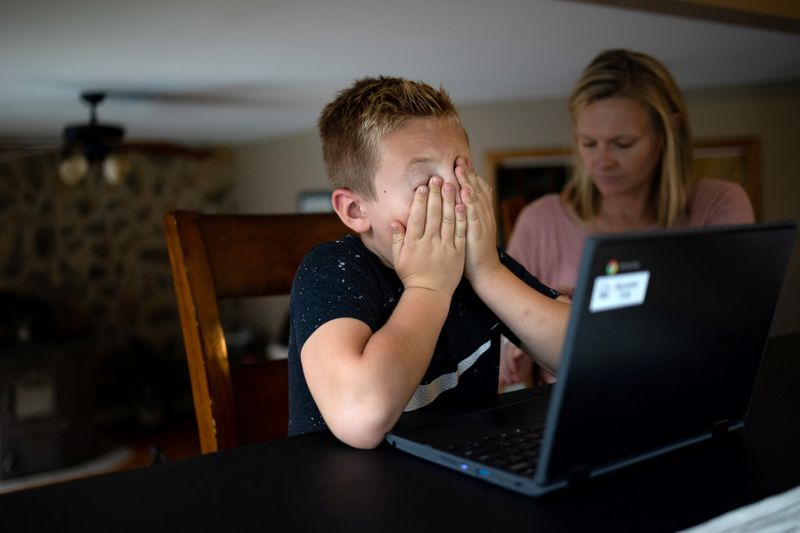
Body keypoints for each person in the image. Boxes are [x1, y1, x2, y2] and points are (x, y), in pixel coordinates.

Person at [288, 76, 571, 449]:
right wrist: (428, 288)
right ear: (356, 210)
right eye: (425, 182)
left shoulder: (479, 263)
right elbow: (360, 416)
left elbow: (589, 357)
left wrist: (488, 273)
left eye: (461, 170)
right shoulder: (333, 269)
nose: (454, 194)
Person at [500, 48, 755, 388]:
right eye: (589, 143)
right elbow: (504, 364)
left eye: (623, 144)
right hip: (578, 414)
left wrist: (580, 313)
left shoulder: (719, 204)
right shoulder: (539, 221)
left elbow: (733, 327)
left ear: (667, 134)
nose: (602, 163)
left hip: (693, 396)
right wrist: (525, 335)